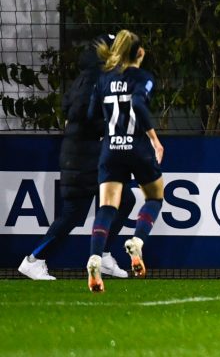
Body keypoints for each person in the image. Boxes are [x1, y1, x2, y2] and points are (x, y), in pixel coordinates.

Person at [18, 36, 133, 281]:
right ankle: (33, 260)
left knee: (123, 201)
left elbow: (70, 110)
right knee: (74, 214)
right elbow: (82, 114)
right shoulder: (94, 80)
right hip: (83, 158)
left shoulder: (90, 78)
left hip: (85, 156)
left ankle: (101, 254)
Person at [85, 30, 166, 293]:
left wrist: (108, 134)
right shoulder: (143, 78)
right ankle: (138, 241)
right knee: (154, 197)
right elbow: (140, 106)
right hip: (138, 147)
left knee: (107, 207)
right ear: (140, 52)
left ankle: (95, 257)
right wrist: (154, 139)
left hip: (111, 149)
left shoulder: (103, 79)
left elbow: (90, 116)